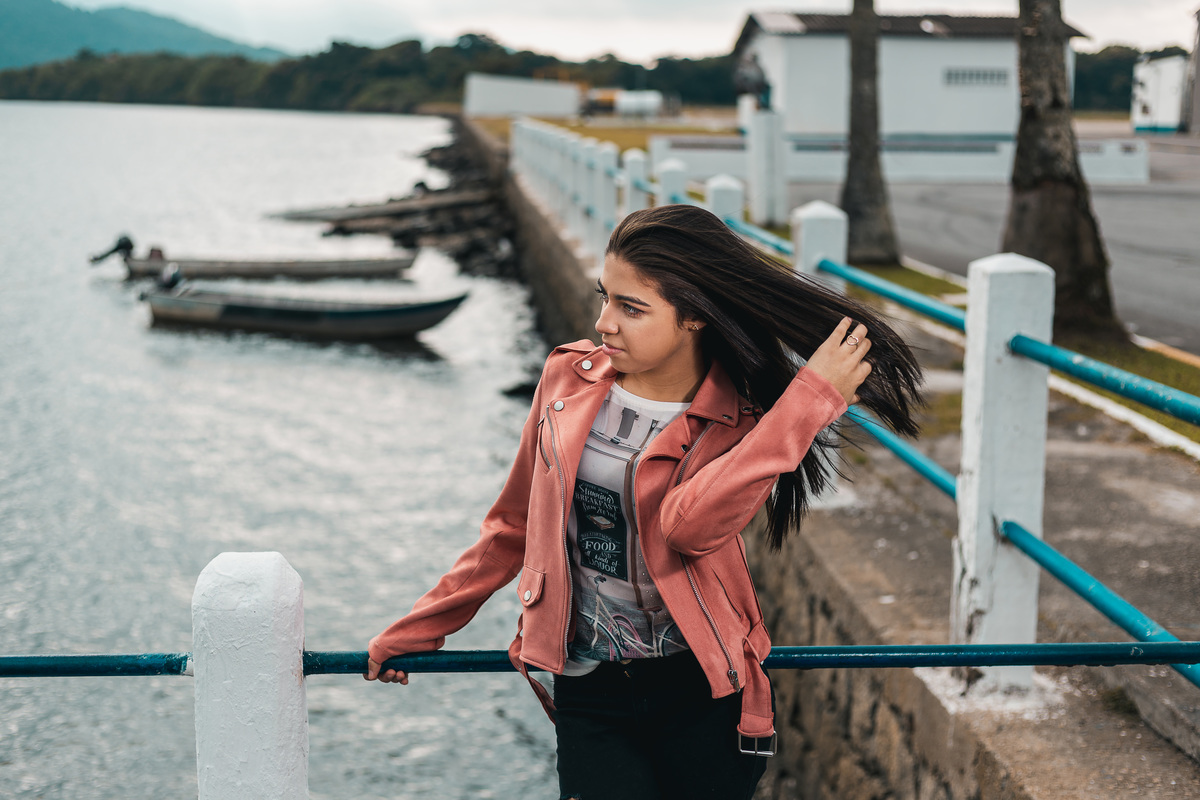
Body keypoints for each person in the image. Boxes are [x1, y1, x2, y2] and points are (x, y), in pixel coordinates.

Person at [365, 204, 923, 799]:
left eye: (632, 308)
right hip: (590, 686)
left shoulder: (742, 422)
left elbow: (688, 528)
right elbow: (513, 525)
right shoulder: (565, 383)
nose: (605, 322)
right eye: (605, 296)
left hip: (703, 690)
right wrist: (423, 627)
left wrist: (807, 405)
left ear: (694, 318)